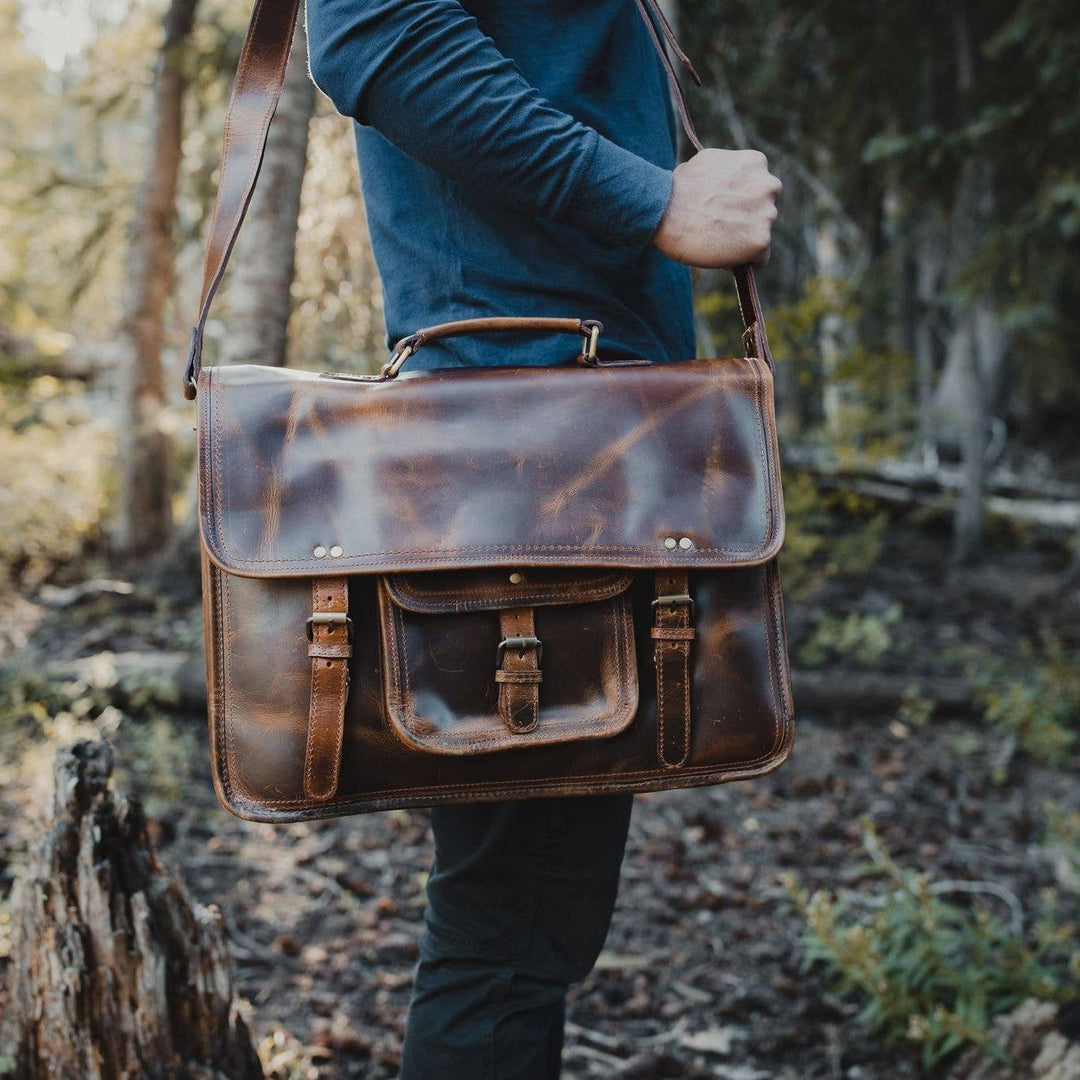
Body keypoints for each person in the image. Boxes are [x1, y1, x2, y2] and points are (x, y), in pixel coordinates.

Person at [304, 1, 781, 1075]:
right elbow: (375, 31)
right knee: (508, 933)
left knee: (531, 922)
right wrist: (652, 198)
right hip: (523, 435)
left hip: (575, 425)